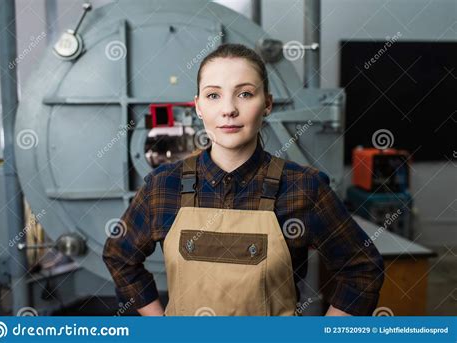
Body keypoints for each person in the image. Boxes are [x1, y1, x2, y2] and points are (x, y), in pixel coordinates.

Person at [103, 43, 384, 316]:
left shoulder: (304, 187)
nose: (229, 109)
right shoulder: (163, 186)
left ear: (268, 104)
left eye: (245, 94)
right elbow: (120, 257)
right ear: (198, 106)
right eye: (214, 95)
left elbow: (362, 269)